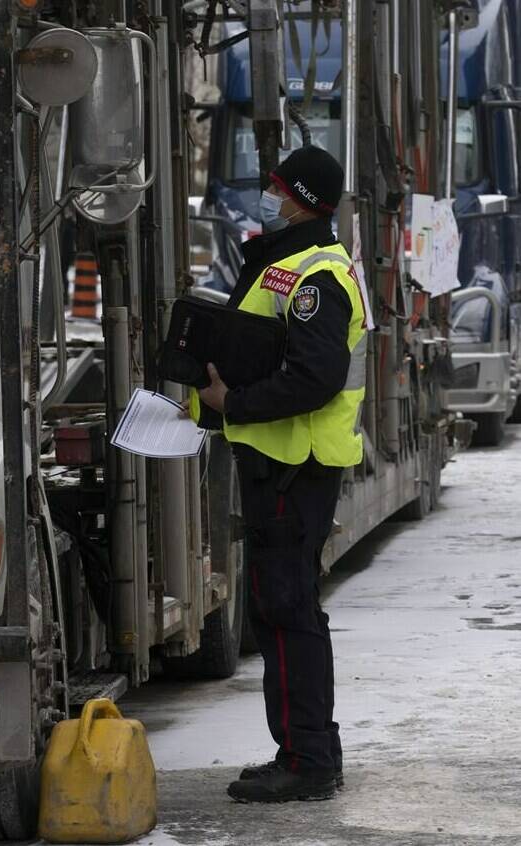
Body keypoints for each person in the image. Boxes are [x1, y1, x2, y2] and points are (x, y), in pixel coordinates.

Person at [191, 145, 368, 803]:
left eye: (277, 187)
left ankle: (308, 760)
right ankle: (304, 751)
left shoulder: (316, 276)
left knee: (289, 612)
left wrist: (233, 404)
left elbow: (314, 378)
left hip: (296, 467)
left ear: (300, 196)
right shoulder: (291, 263)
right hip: (282, 465)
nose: (270, 195)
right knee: (284, 612)